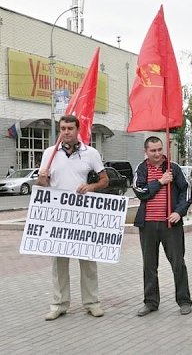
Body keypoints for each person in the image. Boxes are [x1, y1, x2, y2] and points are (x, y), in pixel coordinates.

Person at [37, 114, 109, 321]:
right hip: (58, 215)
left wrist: (91, 186)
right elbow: (44, 185)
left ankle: (92, 302)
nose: (66, 132)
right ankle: (59, 304)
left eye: (70, 128)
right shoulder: (50, 153)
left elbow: (104, 180)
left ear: (78, 130)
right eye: (63, 128)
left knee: (87, 261)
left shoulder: (91, 153)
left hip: (82, 215)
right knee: (59, 263)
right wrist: (41, 178)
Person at [132, 136, 192, 317]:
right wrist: (160, 182)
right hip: (148, 225)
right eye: (153, 150)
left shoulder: (173, 168)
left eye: (160, 149)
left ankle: (184, 301)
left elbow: (186, 192)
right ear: (146, 152)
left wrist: (179, 212)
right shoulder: (141, 169)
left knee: (178, 263)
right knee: (149, 265)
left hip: (170, 224)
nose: (158, 154)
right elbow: (139, 191)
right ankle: (150, 302)